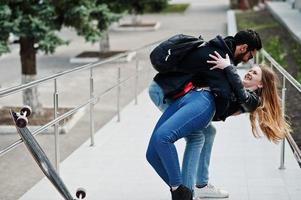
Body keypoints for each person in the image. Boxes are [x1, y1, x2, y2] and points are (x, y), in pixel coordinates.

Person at [146, 31, 291, 200]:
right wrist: (228, 69)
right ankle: (186, 189)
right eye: (250, 59)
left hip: (195, 100)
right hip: (171, 90)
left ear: (260, 85)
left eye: (254, 73)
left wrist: (228, 69)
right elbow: (226, 93)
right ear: (243, 48)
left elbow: (238, 98)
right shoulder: (220, 57)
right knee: (191, 138)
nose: (249, 68)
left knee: (200, 135)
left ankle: (188, 190)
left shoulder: (249, 96)